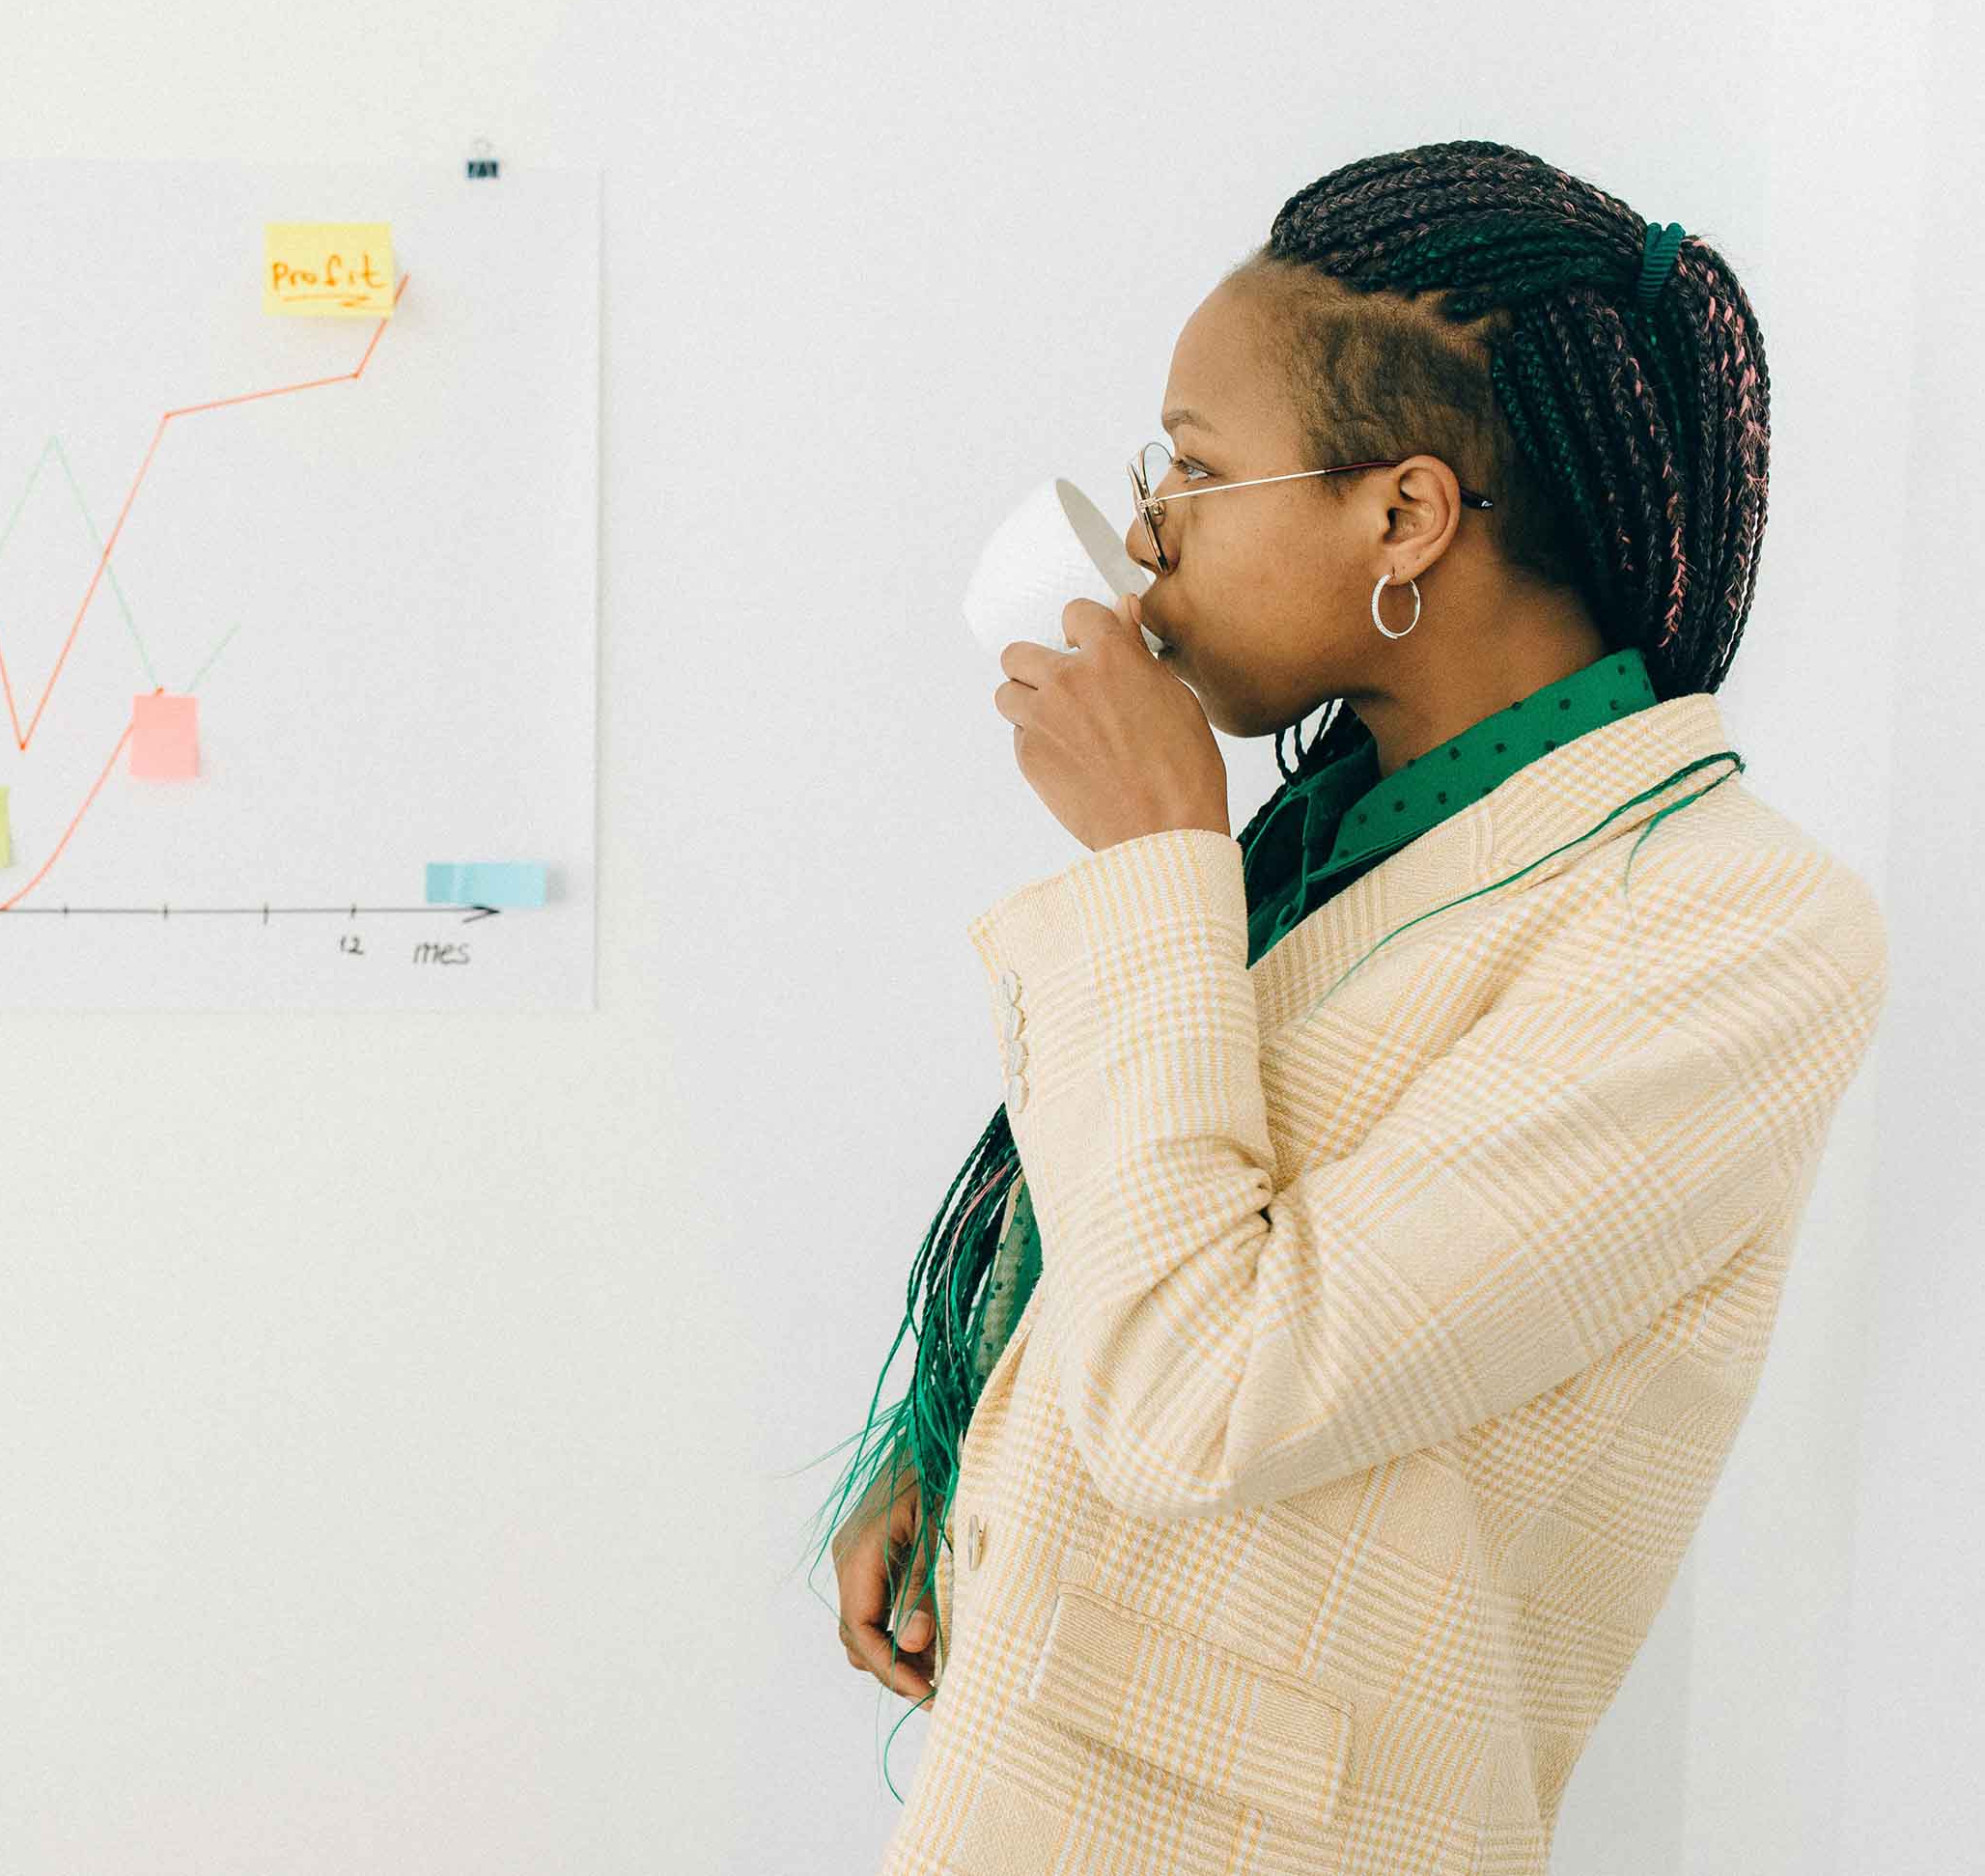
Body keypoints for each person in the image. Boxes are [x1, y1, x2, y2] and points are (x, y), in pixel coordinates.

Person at [802, 139, 1889, 1874]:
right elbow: (1169, 1225)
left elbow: (1210, 1397)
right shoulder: (1340, 831)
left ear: (1402, 515)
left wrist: (1153, 858)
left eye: (1193, 467)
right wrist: (977, 1444)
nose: (1141, 533)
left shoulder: (1729, 930)